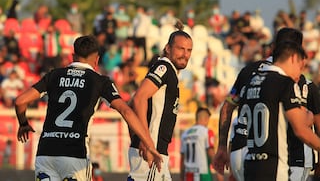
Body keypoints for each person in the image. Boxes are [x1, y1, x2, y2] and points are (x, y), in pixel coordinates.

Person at [15, 35, 162, 181]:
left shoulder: (54, 75)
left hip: (46, 153)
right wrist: (149, 144)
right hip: (75, 154)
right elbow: (126, 111)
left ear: (73, 56)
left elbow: (20, 101)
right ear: (97, 59)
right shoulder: (99, 81)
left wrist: (23, 124)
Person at [212, 28, 320, 180]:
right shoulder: (289, 81)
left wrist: (222, 145)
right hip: (278, 159)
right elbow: (302, 126)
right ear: (295, 54)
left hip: (245, 155)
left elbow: (227, 107)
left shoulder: (249, 73)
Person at [127, 20, 193, 181]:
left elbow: (131, 104)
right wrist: (145, 141)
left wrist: (137, 137)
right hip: (151, 152)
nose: (185, 54)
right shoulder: (164, 67)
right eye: (180, 49)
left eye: (189, 50)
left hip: (156, 152)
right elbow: (139, 98)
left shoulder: (170, 72)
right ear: (168, 48)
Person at [180, 107, 215, 181]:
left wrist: (181, 177)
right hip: (203, 173)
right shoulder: (207, 132)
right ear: (206, 119)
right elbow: (211, 152)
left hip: (188, 174)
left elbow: (182, 159)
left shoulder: (185, 134)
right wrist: (219, 172)